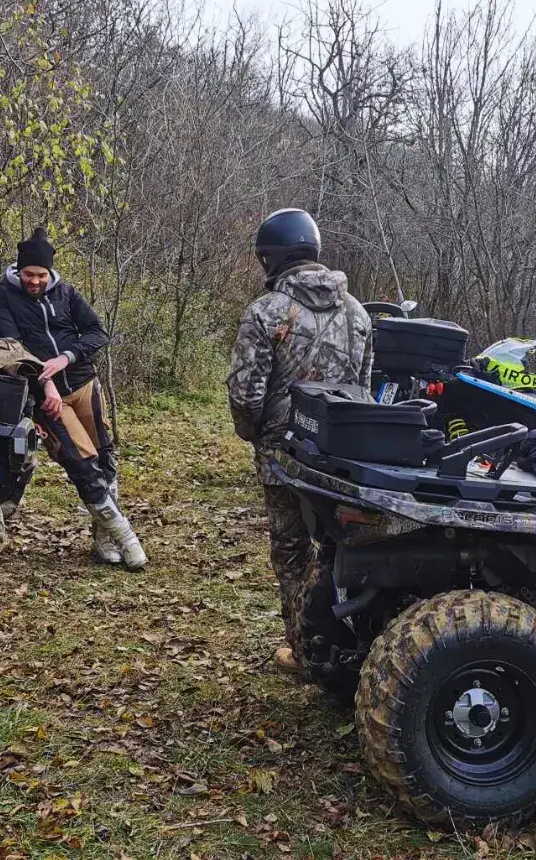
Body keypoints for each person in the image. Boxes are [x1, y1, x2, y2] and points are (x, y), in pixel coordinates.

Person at [227, 208, 373, 676]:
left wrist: (255, 434)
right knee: (338, 549)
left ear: (270, 258)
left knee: (291, 553)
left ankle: (306, 650)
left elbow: (245, 394)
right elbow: (364, 389)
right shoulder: (358, 312)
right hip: (342, 456)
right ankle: (351, 645)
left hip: (283, 455)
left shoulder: (265, 311)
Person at [0, 227, 146, 569]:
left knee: (105, 458)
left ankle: (103, 540)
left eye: (41, 275)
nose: (35, 281)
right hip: (46, 397)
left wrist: (66, 357)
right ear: (19, 269)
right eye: (29, 274)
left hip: (83, 382)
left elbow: (97, 332)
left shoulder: (67, 293)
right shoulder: (0, 298)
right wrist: (45, 382)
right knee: (81, 464)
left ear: (50, 272)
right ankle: (125, 536)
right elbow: (11, 350)